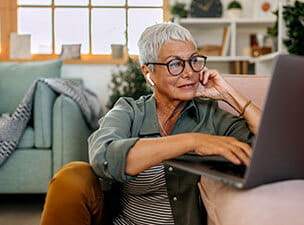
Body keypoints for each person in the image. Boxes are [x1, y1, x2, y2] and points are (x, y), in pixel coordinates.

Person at [40, 23, 261, 225]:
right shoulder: (129, 111)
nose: (189, 72)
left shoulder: (210, 116)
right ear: (148, 73)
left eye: (194, 61)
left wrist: (231, 95)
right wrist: (192, 141)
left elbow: (269, 147)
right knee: (72, 176)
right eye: (175, 64)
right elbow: (103, 157)